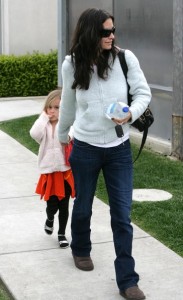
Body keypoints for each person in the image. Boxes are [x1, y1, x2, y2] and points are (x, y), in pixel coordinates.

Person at [58, 8, 151, 300]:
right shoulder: (72, 64)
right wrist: (62, 136)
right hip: (84, 147)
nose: (111, 36)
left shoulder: (126, 58)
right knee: (83, 204)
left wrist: (131, 114)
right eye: (104, 32)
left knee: (122, 215)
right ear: (89, 34)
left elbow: (143, 93)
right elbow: (68, 105)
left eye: (113, 30)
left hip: (118, 149)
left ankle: (127, 279)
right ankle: (81, 248)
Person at [30, 89, 75, 249]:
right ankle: (49, 219)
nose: (53, 111)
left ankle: (62, 234)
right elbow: (34, 133)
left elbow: (72, 135)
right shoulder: (44, 126)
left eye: (57, 107)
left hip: (65, 171)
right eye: (50, 107)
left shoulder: (68, 124)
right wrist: (44, 117)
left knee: (64, 206)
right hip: (49, 172)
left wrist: (66, 128)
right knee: (52, 205)